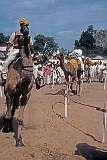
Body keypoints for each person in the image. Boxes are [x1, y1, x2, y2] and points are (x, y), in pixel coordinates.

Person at [0, 18, 33, 85]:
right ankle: (4, 78)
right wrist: (6, 51)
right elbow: (10, 43)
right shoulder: (15, 34)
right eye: (25, 25)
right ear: (21, 25)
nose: (26, 27)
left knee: (33, 65)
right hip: (16, 50)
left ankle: (36, 79)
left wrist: (31, 52)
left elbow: (31, 45)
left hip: (25, 51)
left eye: (27, 25)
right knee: (6, 63)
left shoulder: (28, 36)